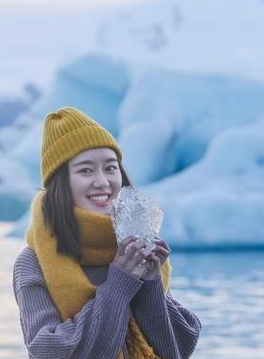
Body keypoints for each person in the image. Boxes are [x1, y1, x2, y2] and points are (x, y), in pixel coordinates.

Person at [13, 106, 202, 359]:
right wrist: (119, 282)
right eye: (85, 170)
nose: (102, 181)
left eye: (110, 168)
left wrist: (150, 282)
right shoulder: (34, 262)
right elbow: (49, 350)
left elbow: (174, 351)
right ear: (61, 183)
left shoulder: (135, 246)